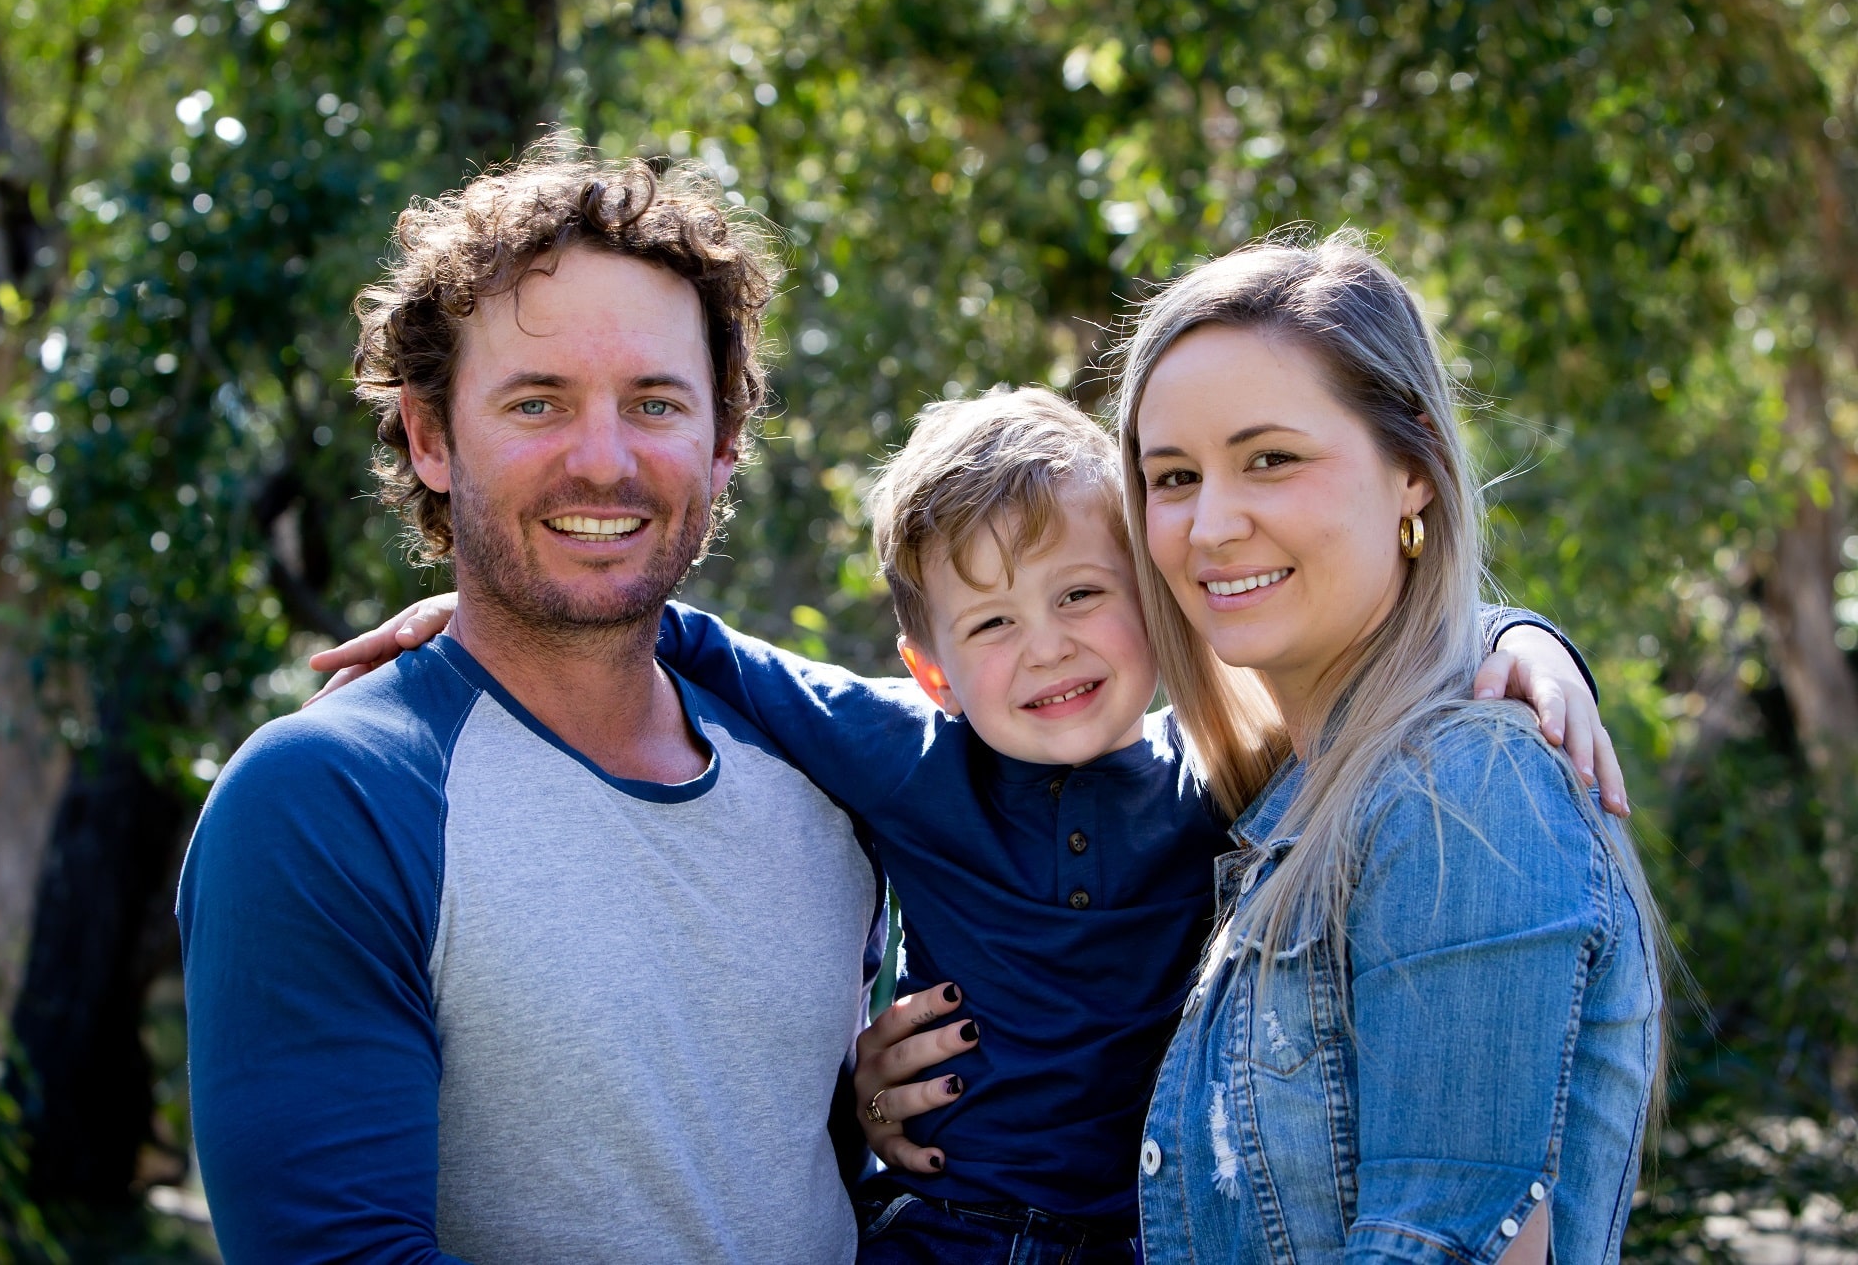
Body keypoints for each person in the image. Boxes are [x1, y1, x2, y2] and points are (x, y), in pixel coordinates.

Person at [317, 389, 1616, 1262]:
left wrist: (1523, 638)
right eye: (991, 623)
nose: (1045, 646)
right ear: (930, 665)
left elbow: (1383, 645)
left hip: (1155, 1232)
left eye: (1081, 596)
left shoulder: (1223, 753)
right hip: (943, 1226)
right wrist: (487, 625)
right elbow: (698, 644)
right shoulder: (901, 751)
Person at [176, 143, 888, 1263]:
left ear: (721, 444)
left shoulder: (832, 781)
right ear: (429, 435)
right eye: (537, 402)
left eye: (654, 402)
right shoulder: (324, 801)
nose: (600, 461)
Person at [1116, 231, 1663, 1262]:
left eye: (1268, 458)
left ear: (1410, 467)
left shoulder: (1463, 789)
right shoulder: (1281, 789)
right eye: (1172, 476)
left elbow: (1445, 1244)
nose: (1210, 525)